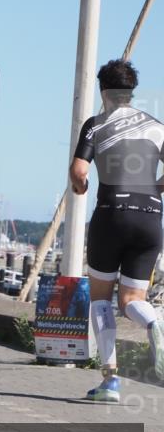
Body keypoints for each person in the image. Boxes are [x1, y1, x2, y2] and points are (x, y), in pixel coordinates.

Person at [69, 59, 164, 402]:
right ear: (131, 92)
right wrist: (156, 188)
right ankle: (154, 322)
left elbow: (79, 171)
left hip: (112, 215)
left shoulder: (96, 125)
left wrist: (80, 188)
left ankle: (110, 382)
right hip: (151, 218)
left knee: (101, 300)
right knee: (132, 301)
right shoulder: (157, 126)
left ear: (103, 91)